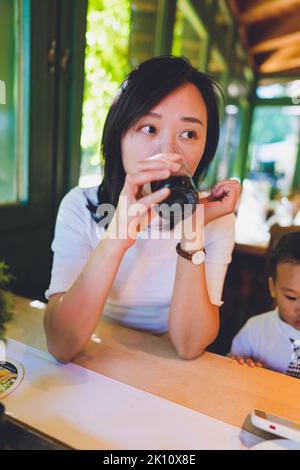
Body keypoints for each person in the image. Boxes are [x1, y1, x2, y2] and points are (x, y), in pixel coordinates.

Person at [44, 56, 241, 363]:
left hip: (165, 367)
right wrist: (117, 237)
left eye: (188, 134)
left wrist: (194, 229)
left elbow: (189, 345)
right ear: (119, 135)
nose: (168, 152)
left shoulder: (214, 219)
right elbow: (61, 343)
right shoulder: (81, 206)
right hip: (94, 355)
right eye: (149, 128)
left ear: (206, 147)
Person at [230, 231, 300, 379]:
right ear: (272, 287)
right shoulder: (255, 331)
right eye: (291, 297)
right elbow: (229, 371)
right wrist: (240, 366)